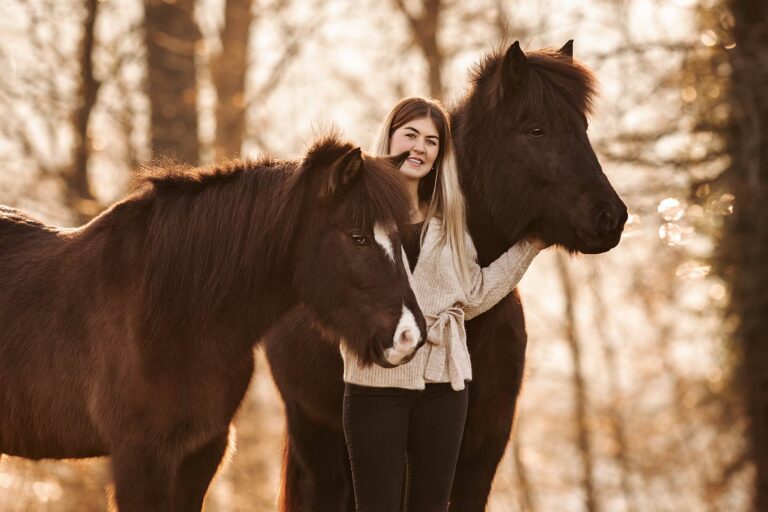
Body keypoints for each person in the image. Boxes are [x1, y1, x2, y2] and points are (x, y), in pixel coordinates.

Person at [340, 97, 548, 512]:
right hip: (375, 387)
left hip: (444, 390)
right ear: (390, 136)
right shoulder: (355, 215)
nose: (420, 148)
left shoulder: (449, 222)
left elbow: (474, 295)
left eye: (432, 141)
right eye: (411, 135)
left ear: (439, 155)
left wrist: (531, 245)